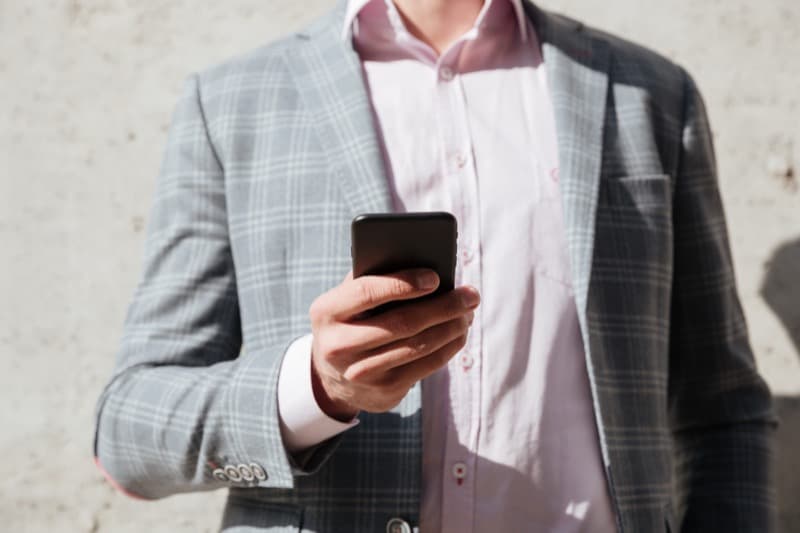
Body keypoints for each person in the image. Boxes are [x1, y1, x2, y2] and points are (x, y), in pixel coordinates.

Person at [92, 0, 776, 531]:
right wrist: (315, 387)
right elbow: (128, 433)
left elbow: (723, 410)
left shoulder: (648, 95)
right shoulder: (233, 102)